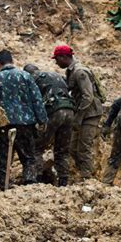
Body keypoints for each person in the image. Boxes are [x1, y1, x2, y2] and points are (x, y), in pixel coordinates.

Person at [0, 49, 48, 190]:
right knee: (28, 158)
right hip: (25, 124)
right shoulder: (26, 76)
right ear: (12, 61)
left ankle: (3, 187)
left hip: (4, 126)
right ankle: (29, 185)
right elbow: (37, 100)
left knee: (4, 160)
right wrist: (42, 120)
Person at [52, 45, 103, 180]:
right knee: (73, 149)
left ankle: (88, 181)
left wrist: (78, 118)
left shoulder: (79, 72)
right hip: (83, 113)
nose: (56, 62)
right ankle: (87, 175)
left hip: (90, 114)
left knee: (83, 149)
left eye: (57, 59)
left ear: (64, 57)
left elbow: (88, 97)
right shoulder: (72, 70)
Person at [23, 64, 75, 187]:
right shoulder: (56, 75)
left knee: (37, 148)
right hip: (70, 111)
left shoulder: (33, 78)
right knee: (62, 151)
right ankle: (63, 182)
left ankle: (38, 180)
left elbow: (33, 101)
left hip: (54, 112)